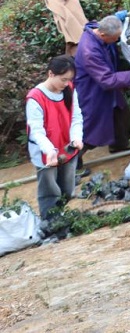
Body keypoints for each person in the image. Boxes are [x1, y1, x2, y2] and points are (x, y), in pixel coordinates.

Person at [74, 15, 130, 164]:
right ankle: (73, 163)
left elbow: (108, 22)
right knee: (92, 129)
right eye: (115, 38)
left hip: (106, 89)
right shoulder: (90, 51)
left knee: (121, 113)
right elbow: (106, 79)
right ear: (103, 35)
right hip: (93, 91)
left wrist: (116, 18)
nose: (117, 41)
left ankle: (119, 145)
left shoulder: (98, 28)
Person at [26, 55, 84, 220]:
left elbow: (76, 117)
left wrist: (76, 137)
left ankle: (61, 215)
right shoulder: (35, 98)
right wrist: (49, 150)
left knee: (67, 188)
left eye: (69, 79)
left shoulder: (69, 90)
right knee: (49, 190)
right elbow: (36, 130)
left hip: (67, 148)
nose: (66, 83)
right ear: (51, 74)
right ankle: (50, 222)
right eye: (63, 79)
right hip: (46, 152)